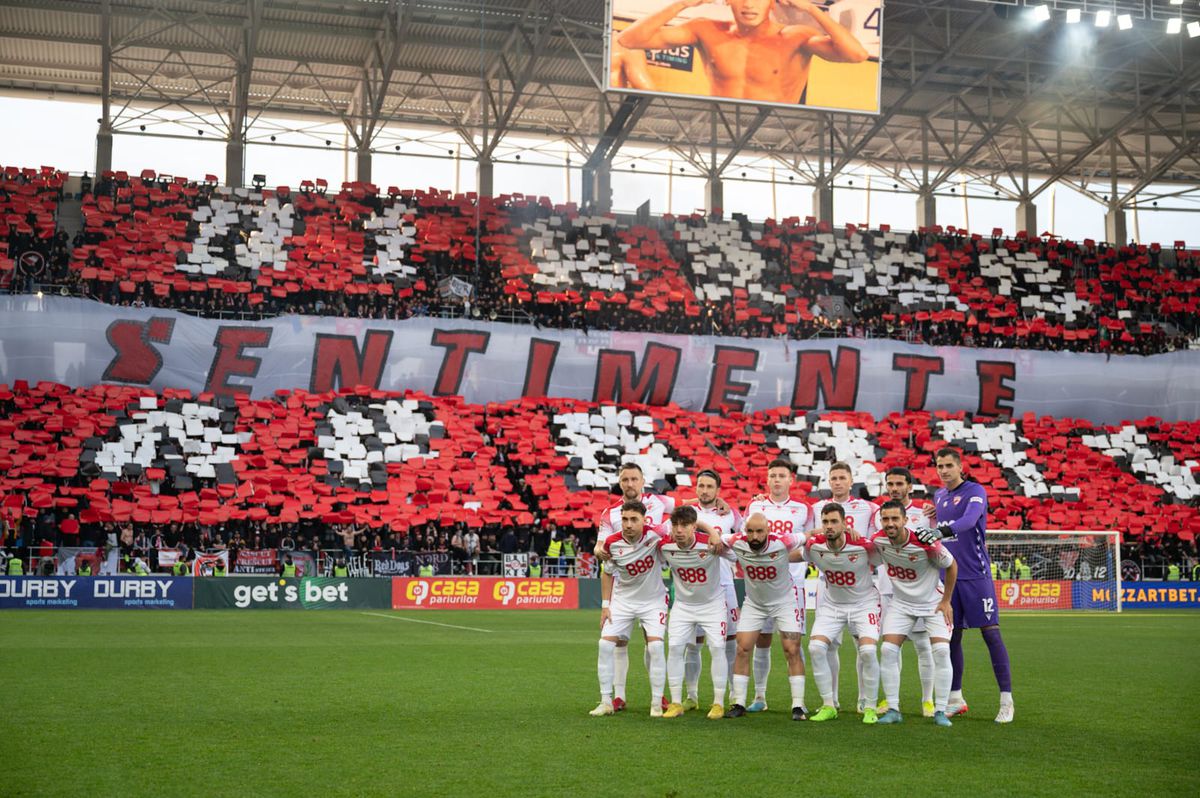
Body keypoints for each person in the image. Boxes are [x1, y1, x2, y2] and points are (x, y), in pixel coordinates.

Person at [617, 0, 868, 105]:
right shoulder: (705, 30)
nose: (749, 4)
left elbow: (857, 55)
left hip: (773, 129)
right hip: (721, 127)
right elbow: (628, 39)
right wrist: (682, 3)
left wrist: (812, 10)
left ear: (772, 3)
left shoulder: (795, 37)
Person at [922, 447, 1014, 723]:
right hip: (949, 577)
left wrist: (940, 529)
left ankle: (1007, 701)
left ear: (960, 467)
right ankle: (955, 699)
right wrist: (935, 515)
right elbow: (943, 518)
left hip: (976, 575)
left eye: (949, 465)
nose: (944, 470)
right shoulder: (939, 496)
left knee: (991, 634)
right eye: (940, 466)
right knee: (952, 637)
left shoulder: (975, 491)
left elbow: (970, 520)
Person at [709, 512, 809, 720]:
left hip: (784, 602)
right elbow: (719, 538)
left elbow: (809, 535)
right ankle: (738, 703)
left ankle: (798, 706)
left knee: (792, 649)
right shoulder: (737, 540)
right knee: (743, 648)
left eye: (759, 531)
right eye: (750, 531)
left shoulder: (784, 541)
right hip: (754, 604)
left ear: (768, 531)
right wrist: (713, 535)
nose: (754, 536)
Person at [596, 462, 676, 711]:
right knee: (616, 643)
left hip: (651, 590)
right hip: (623, 589)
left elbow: (689, 509)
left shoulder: (659, 503)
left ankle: (657, 697)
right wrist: (601, 551)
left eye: (634, 479)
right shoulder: (610, 514)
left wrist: (718, 503)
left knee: (652, 643)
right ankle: (617, 697)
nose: (629, 484)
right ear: (619, 483)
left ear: (643, 481)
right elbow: (601, 548)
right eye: (625, 480)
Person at [873, 499, 958, 727]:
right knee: (888, 650)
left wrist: (946, 600)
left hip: (933, 603)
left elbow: (951, 565)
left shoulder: (924, 541)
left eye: (895, 518)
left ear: (905, 520)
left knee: (941, 651)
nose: (890, 523)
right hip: (901, 604)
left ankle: (940, 710)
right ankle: (893, 709)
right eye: (885, 519)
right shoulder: (879, 541)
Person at [810, 460, 879, 713]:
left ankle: (863, 700)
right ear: (829, 482)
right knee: (828, 645)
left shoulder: (869, 508)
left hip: (860, 582)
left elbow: (878, 536)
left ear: (851, 481)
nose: (838, 482)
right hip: (828, 583)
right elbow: (807, 537)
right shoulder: (816, 508)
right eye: (834, 478)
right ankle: (832, 700)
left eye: (842, 478)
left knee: (863, 645)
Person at [742, 458, 810, 713]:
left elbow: (808, 544)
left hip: (792, 586)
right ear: (767, 479)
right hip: (761, 584)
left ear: (791, 479)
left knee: (793, 644)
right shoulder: (755, 506)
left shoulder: (804, 509)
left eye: (782, 475)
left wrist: (780, 557)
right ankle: (760, 696)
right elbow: (746, 539)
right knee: (762, 640)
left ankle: (800, 701)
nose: (777, 479)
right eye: (773, 475)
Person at [871, 466, 937, 717]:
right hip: (889, 589)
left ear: (910, 486)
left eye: (900, 484)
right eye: (890, 484)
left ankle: (928, 700)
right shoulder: (879, 514)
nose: (894, 488)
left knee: (923, 645)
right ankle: (891, 700)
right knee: (891, 646)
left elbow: (937, 548)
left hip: (919, 592)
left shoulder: (925, 513)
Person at [658, 505, 732, 720]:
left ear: (693, 527)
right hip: (683, 606)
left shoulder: (711, 543)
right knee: (674, 648)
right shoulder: (664, 545)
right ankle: (676, 703)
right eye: (675, 525)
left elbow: (740, 556)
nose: (679, 530)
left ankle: (718, 703)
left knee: (717, 648)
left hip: (712, 605)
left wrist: (713, 533)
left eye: (684, 525)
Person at [690, 468, 742, 707]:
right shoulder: (687, 513)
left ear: (717, 490)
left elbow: (745, 537)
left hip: (724, 584)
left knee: (730, 642)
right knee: (693, 644)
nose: (704, 490)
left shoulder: (730, 515)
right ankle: (691, 696)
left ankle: (733, 694)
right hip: (695, 586)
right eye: (701, 485)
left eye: (710, 486)